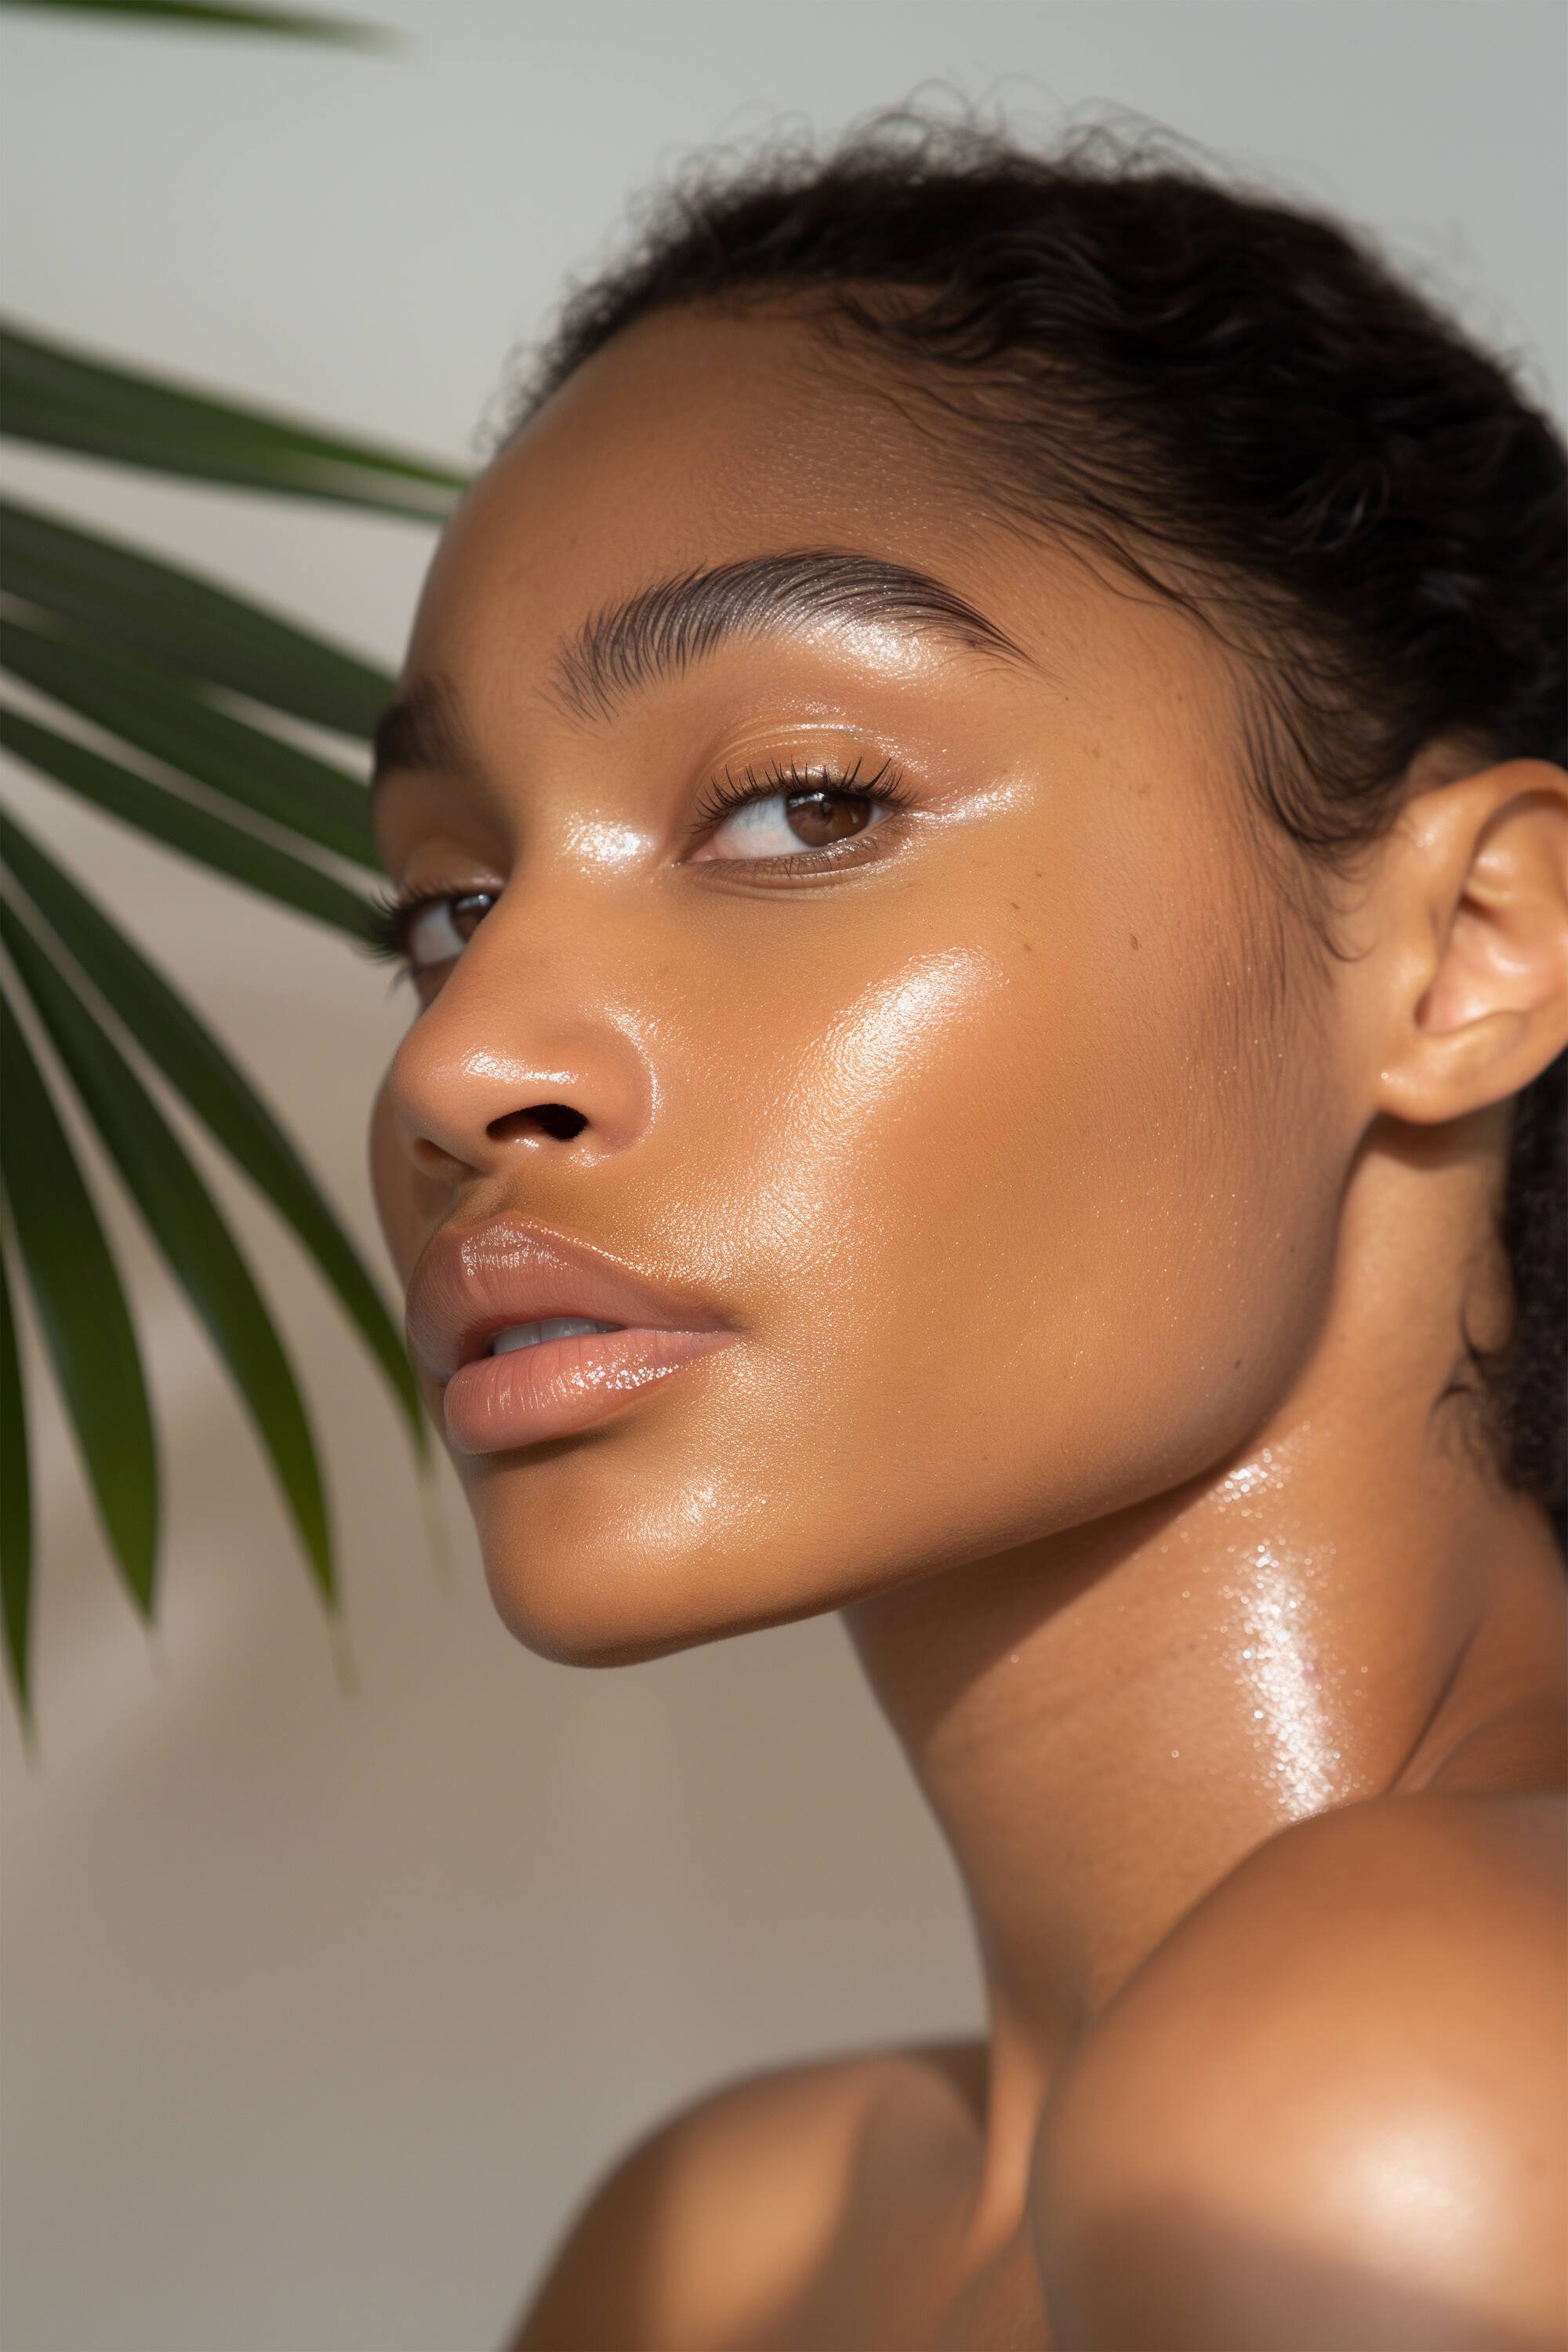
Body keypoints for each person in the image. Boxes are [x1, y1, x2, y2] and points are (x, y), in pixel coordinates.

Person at [365, 117, 1566, 2351]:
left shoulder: (1415, 2081)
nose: (461, 1065)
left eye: (804, 802)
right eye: (450, 905)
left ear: (1470, 947)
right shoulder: (725, 2251)